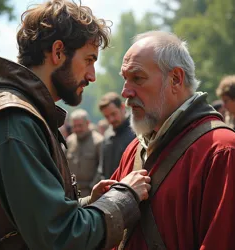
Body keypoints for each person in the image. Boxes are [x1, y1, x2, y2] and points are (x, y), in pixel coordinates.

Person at [0, 1, 151, 249]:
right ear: (58, 52)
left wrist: (88, 205)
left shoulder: (23, 115)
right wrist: (124, 197)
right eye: (89, 59)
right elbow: (61, 238)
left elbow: (31, 219)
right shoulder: (15, 122)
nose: (92, 75)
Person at [112, 30, 235, 250]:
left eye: (137, 78)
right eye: (125, 79)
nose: (125, 92)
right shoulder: (134, 150)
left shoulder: (223, 151)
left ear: (176, 79)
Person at [97, 92, 135, 179]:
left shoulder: (136, 133)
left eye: (113, 114)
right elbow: (102, 170)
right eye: (107, 116)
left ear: (122, 107)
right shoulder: (107, 136)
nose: (111, 119)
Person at [65, 109, 103, 196]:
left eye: (80, 125)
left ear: (88, 123)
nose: (77, 129)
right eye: (75, 126)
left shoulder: (98, 141)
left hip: (91, 193)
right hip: (71, 192)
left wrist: (93, 187)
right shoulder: (69, 141)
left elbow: (101, 168)